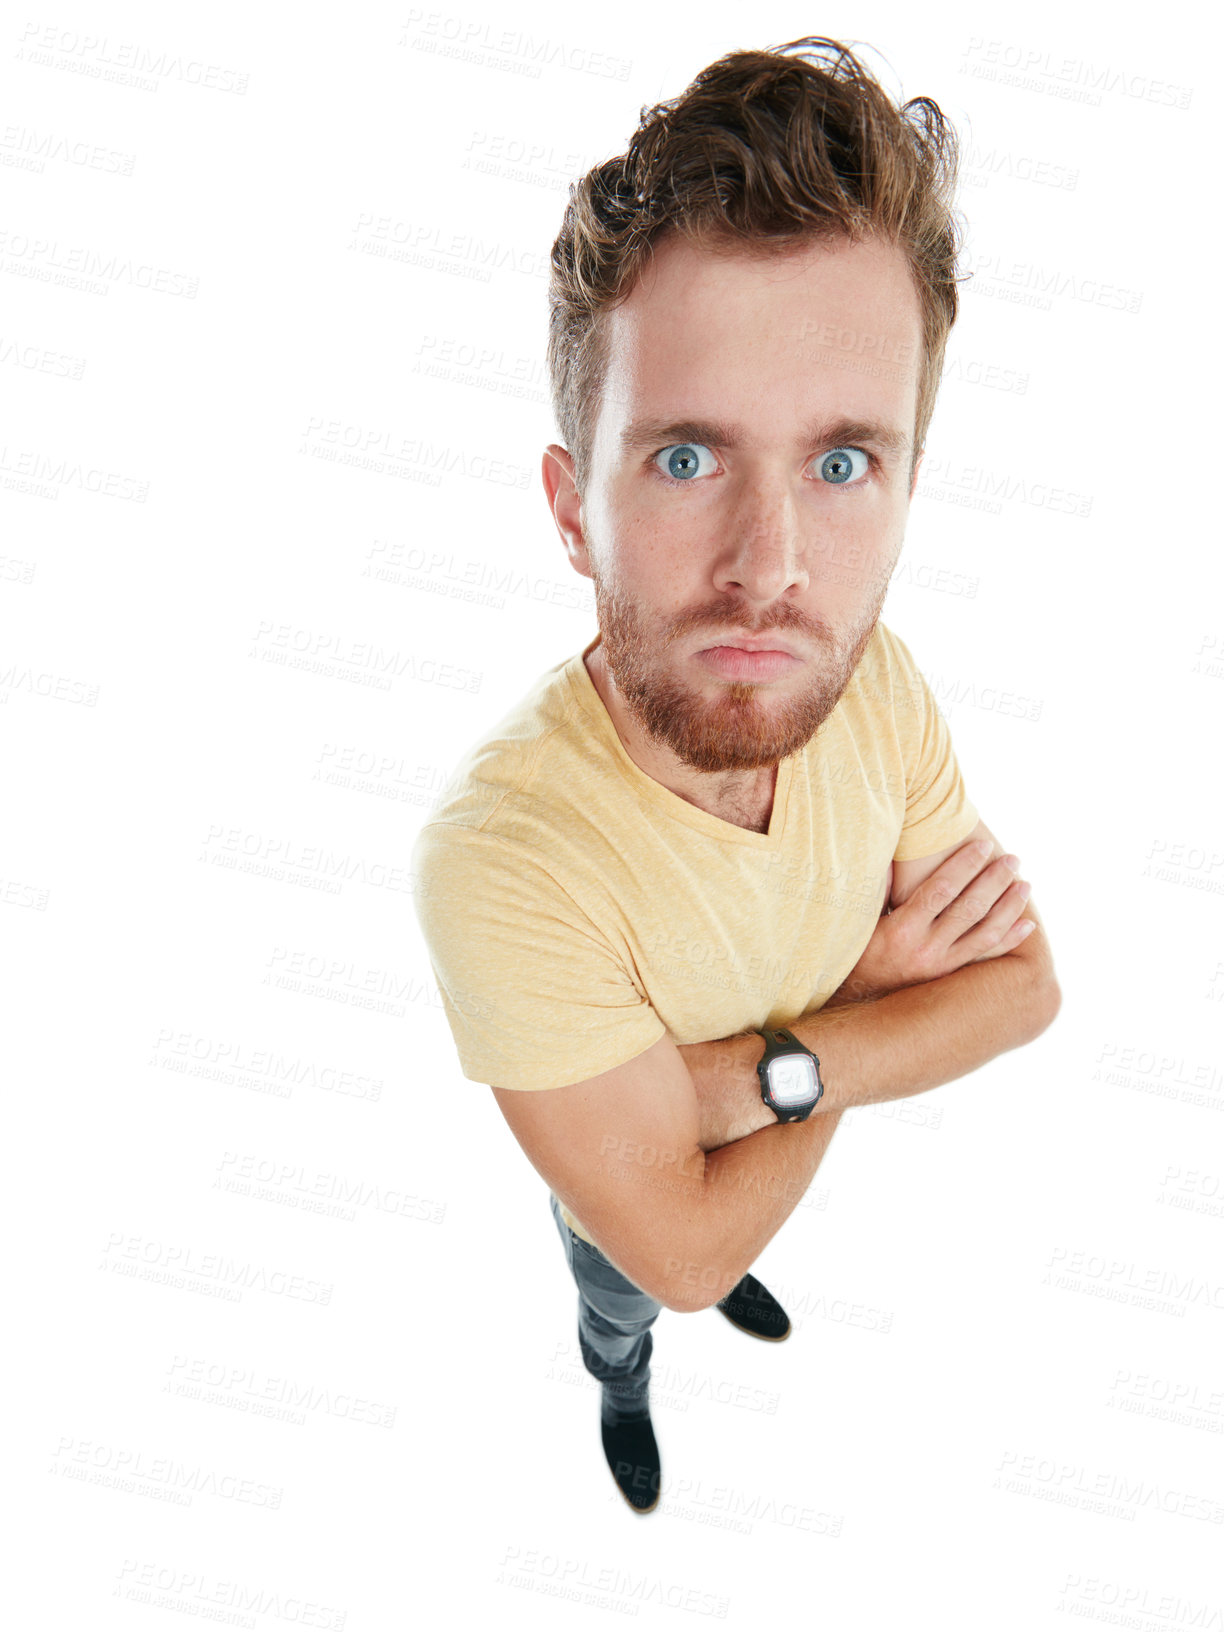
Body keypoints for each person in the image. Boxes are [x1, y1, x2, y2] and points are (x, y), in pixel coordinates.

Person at [410, 35, 1061, 1515]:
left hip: (707, 1138)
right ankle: (613, 1382)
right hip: (636, 1220)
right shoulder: (502, 861)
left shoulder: (875, 685)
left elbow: (1024, 991)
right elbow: (687, 1250)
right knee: (638, 1294)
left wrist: (735, 1092)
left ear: (905, 493)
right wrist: (854, 1025)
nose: (773, 576)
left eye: (843, 466)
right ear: (574, 510)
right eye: (689, 460)